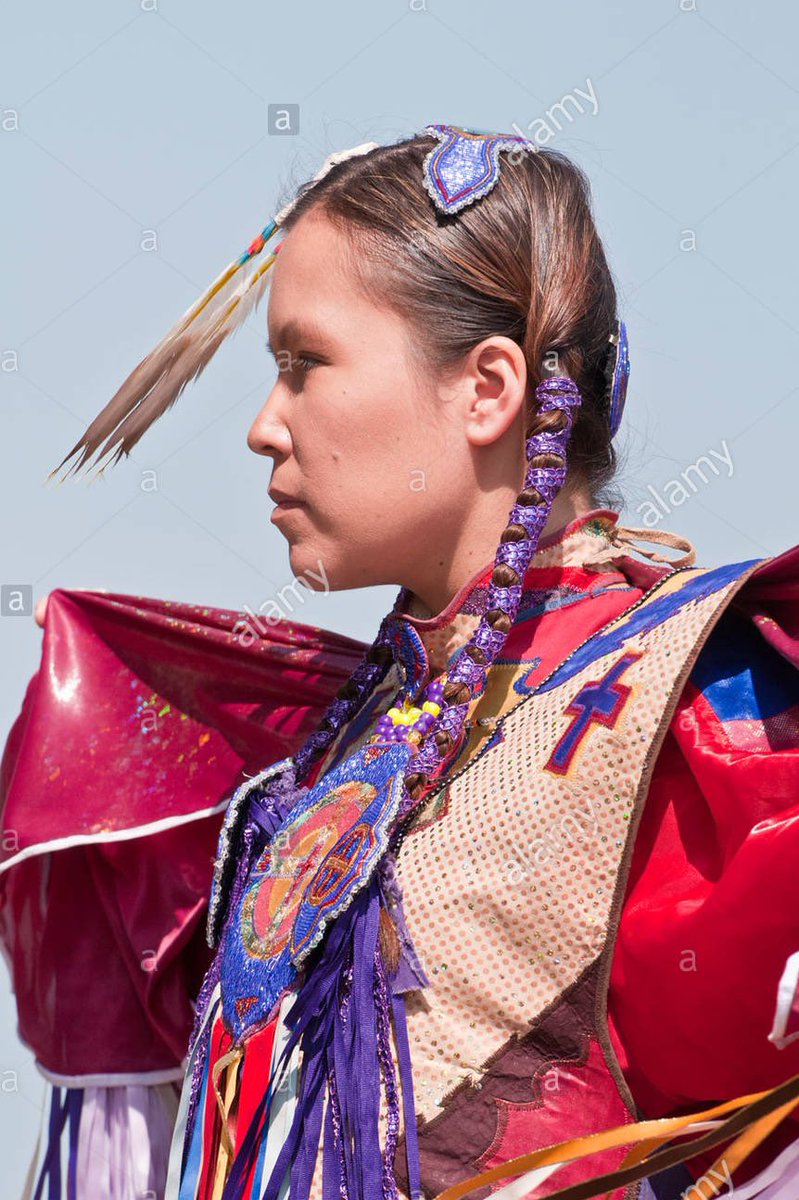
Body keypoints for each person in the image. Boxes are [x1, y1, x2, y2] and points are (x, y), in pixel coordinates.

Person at [18, 125, 799, 1199]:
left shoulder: (705, 715)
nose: (262, 426)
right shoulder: (312, 752)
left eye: (305, 365)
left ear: (487, 389)